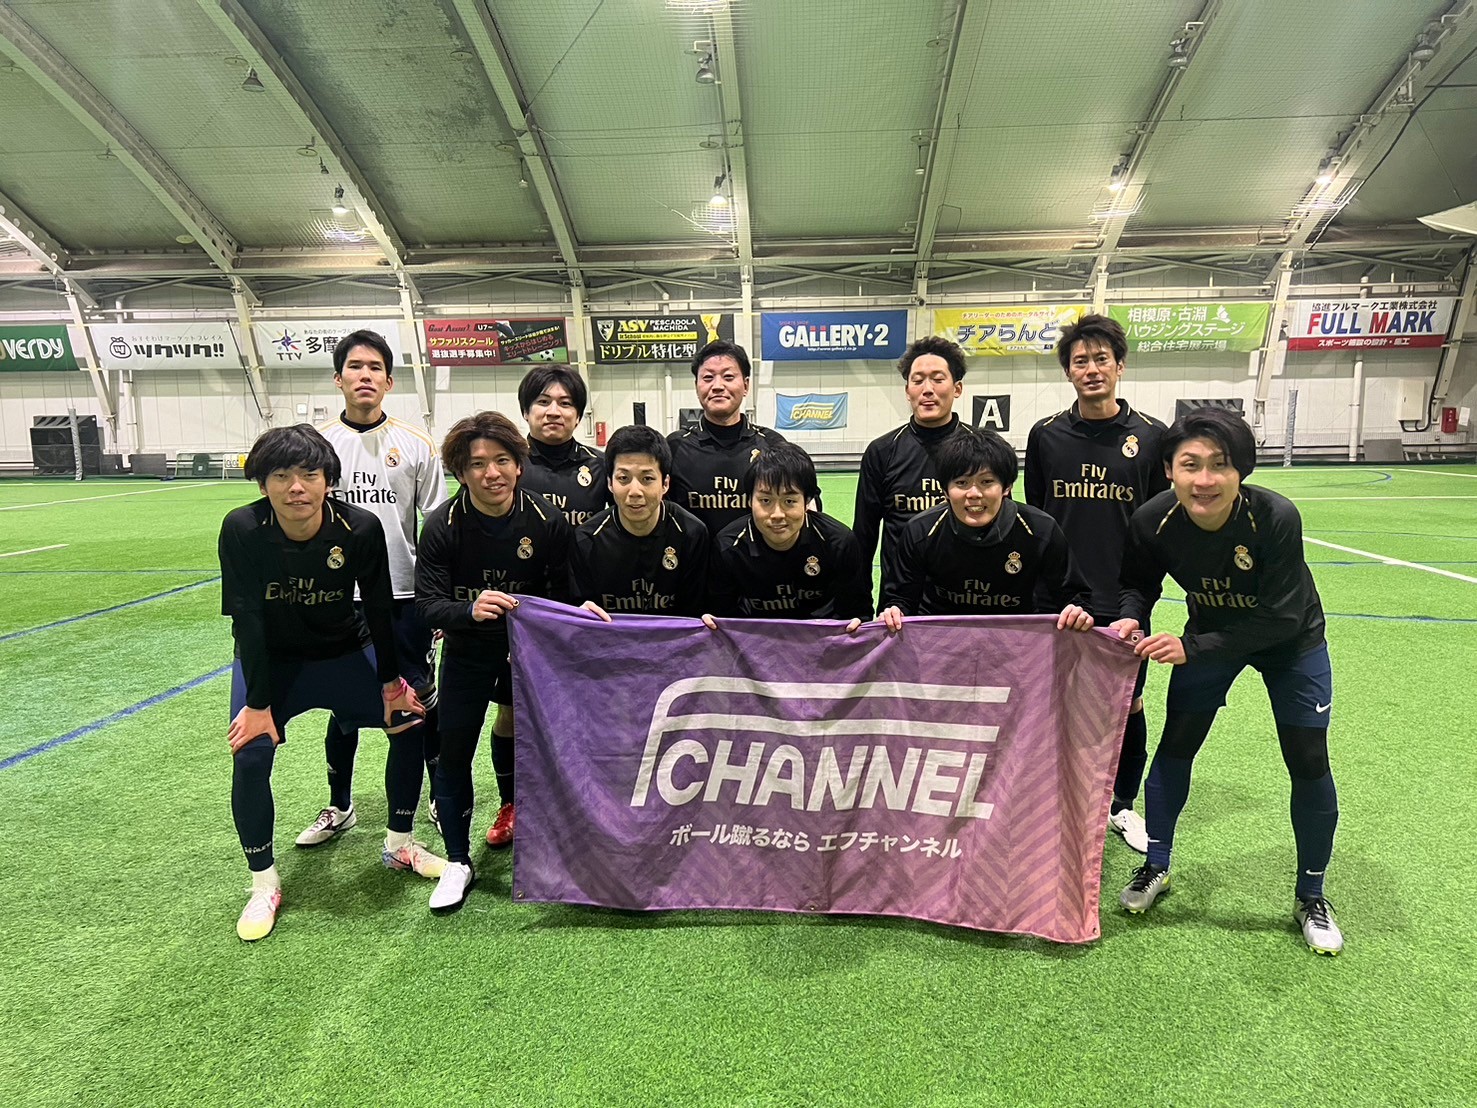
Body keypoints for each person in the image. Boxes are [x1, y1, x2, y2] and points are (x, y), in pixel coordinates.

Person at [1113, 407, 1343, 955]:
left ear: (1242, 470)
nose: (1205, 479)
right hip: (1211, 637)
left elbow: (1282, 617)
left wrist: (1190, 648)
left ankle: (1311, 895)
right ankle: (1156, 865)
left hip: (1292, 644)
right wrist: (1130, 617)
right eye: (1190, 464)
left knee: (1308, 758)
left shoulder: (1276, 516)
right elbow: (1136, 585)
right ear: (1169, 470)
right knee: (1176, 746)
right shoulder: (1152, 520)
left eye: (1220, 465)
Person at [218, 425, 443, 942]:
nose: (296, 487)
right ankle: (264, 883)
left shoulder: (359, 527)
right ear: (262, 483)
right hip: (273, 661)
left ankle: (400, 844)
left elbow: (380, 608)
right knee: (249, 753)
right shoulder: (242, 528)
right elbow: (247, 620)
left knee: (408, 720)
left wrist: (390, 683)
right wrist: (258, 705)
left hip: (343, 651)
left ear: (329, 481)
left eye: (309, 474)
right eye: (281, 475)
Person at [415, 411, 573, 913]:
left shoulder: (546, 520)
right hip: (468, 652)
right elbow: (427, 604)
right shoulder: (441, 525)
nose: (492, 473)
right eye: (478, 463)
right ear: (461, 472)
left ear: (519, 465)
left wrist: (546, 624)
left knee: (547, 746)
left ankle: (546, 834)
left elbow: (564, 593)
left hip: (531, 656)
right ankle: (458, 861)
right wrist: (468, 610)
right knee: (454, 750)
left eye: (502, 460)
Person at [298, 328, 448, 850]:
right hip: (338, 600)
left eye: (375, 367)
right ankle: (340, 806)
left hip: (404, 599)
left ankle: (436, 794)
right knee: (341, 706)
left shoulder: (416, 444)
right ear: (338, 378)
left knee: (419, 699)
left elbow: (437, 526)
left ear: (389, 381)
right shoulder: (316, 447)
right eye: (355, 367)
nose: (365, 375)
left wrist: (436, 600)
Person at [1024, 313, 1168, 853]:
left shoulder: (1151, 437)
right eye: (1080, 361)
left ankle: (1123, 805)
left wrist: (1140, 597)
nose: (1091, 369)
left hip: (1124, 598)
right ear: (1068, 371)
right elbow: (1036, 516)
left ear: (1120, 365)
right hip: (1058, 598)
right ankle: (1054, 797)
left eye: (1101, 359)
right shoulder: (1045, 436)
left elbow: (1158, 524)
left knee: (1127, 702)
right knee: (1053, 701)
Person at [877, 427, 1092, 632]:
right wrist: (895, 611)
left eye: (986, 482)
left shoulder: (1040, 530)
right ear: (945, 490)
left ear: (1006, 487)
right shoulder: (921, 531)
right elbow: (901, 599)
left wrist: (1077, 611)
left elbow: (1074, 598)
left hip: (1016, 644)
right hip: (939, 645)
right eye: (961, 483)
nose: (974, 494)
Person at [704, 441, 872, 627]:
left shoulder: (838, 542)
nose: (777, 514)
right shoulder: (728, 547)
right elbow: (723, 618)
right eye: (765, 500)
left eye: (789, 501)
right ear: (750, 500)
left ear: (807, 501)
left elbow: (858, 612)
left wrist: (857, 622)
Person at [853, 335, 974, 593]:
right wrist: (859, 602)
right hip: (899, 599)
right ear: (907, 391)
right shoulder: (882, 452)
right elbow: (864, 535)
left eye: (938, 379)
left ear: (957, 388)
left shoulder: (982, 449)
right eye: (917, 381)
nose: (927, 389)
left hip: (964, 596)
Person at [571, 425, 710, 620]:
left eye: (647, 478)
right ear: (610, 483)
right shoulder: (587, 539)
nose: (635, 491)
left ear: (665, 484)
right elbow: (579, 613)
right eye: (623, 478)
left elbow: (695, 614)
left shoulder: (691, 534)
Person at [667, 339, 790, 536]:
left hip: (753, 555)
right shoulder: (675, 447)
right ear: (696, 386)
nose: (717, 386)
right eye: (708, 378)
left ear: (746, 385)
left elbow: (804, 499)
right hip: (694, 556)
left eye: (728, 377)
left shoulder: (772, 444)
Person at [516, 365, 609, 527]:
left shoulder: (601, 465)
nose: (553, 412)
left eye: (565, 403)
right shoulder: (510, 464)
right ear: (525, 411)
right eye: (543, 402)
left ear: (578, 416)